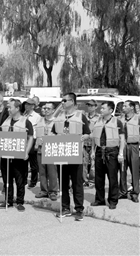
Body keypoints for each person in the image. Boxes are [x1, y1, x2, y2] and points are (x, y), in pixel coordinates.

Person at [52, 92, 90, 221]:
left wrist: (85, 137)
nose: (62, 103)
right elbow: (53, 133)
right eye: (62, 101)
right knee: (63, 182)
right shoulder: (59, 117)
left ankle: (79, 209)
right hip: (61, 153)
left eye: (64, 100)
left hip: (75, 154)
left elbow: (88, 134)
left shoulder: (81, 116)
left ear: (72, 102)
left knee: (77, 183)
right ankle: (65, 208)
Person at [0, 99, 34, 211]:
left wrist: (26, 152)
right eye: (8, 107)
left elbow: (30, 138)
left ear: (17, 108)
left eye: (10, 107)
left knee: (20, 180)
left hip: (19, 156)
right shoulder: (6, 120)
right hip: (6, 155)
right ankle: (8, 201)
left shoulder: (26, 122)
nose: (8, 109)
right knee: (6, 179)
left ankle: (19, 201)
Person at [90, 101, 125, 209]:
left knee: (112, 178)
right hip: (99, 151)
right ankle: (99, 199)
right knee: (98, 178)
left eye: (103, 108)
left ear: (110, 110)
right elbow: (93, 138)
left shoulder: (117, 122)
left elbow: (122, 138)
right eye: (101, 108)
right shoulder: (97, 121)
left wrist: (121, 153)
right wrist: (92, 151)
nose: (101, 110)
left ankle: (113, 200)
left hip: (112, 152)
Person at [35, 103, 58, 201]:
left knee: (52, 172)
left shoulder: (57, 122)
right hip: (40, 149)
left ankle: (53, 191)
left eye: (48, 108)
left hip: (52, 149)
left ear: (53, 110)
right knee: (42, 172)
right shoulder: (40, 120)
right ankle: (44, 190)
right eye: (44, 108)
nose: (46, 110)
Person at [119, 100, 139, 203]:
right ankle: (122, 191)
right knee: (122, 170)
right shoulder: (120, 119)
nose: (123, 108)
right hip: (123, 147)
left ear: (132, 107)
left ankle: (135, 193)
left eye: (125, 106)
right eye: (123, 106)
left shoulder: (138, 118)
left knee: (134, 171)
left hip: (134, 146)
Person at [23, 98, 41, 188]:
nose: (26, 106)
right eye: (26, 104)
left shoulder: (37, 117)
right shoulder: (23, 115)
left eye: (29, 104)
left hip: (32, 140)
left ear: (33, 106)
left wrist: (37, 142)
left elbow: (38, 130)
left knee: (33, 163)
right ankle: (24, 179)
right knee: (23, 161)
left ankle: (33, 181)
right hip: (24, 140)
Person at [83, 99, 100, 187]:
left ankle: (92, 181)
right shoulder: (84, 116)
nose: (89, 107)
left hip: (94, 143)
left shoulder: (99, 117)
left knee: (93, 163)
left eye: (91, 105)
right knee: (83, 162)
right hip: (84, 142)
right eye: (88, 105)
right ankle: (84, 180)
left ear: (95, 107)